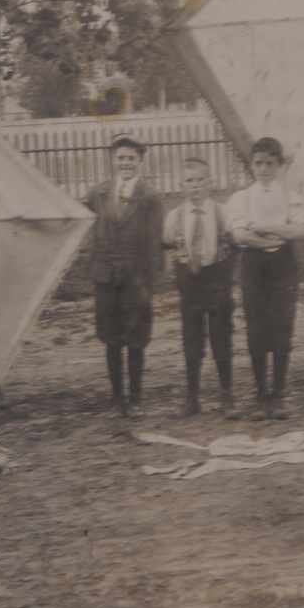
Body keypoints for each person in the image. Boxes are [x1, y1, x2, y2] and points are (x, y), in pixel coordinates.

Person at [226, 137, 304, 420]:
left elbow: (300, 231)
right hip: (253, 264)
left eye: (269, 163)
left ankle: (279, 393)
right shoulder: (241, 198)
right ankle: (261, 392)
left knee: (282, 326)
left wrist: (262, 228)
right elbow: (239, 236)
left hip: (283, 265)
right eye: (258, 163)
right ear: (251, 165)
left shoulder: (290, 195)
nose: (263, 169)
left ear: (279, 165)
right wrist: (274, 237)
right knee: (256, 327)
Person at [85, 135, 163, 419]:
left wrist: (149, 284)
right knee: (111, 337)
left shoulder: (150, 197)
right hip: (106, 277)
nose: (126, 163)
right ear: (112, 160)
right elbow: (85, 227)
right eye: (121, 158)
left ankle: (136, 397)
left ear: (140, 161)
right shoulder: (98, 194)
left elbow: (155, 243)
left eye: (131, 158)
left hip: (136, 279)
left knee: (136, 337)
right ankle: (117, 397)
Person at [163, 157, 240, 420]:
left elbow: (234, 244)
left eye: (200, 180)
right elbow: (168, 245)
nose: (195, 186)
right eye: (189, 181)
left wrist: (228, 276)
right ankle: (192, 397)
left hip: (217, 281)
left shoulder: (222, 212)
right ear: (181, 186)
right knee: (191, 341)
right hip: (190, 285)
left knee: (221, 339)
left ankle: (227, 396)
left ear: (210, 182)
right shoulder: (174, 216)